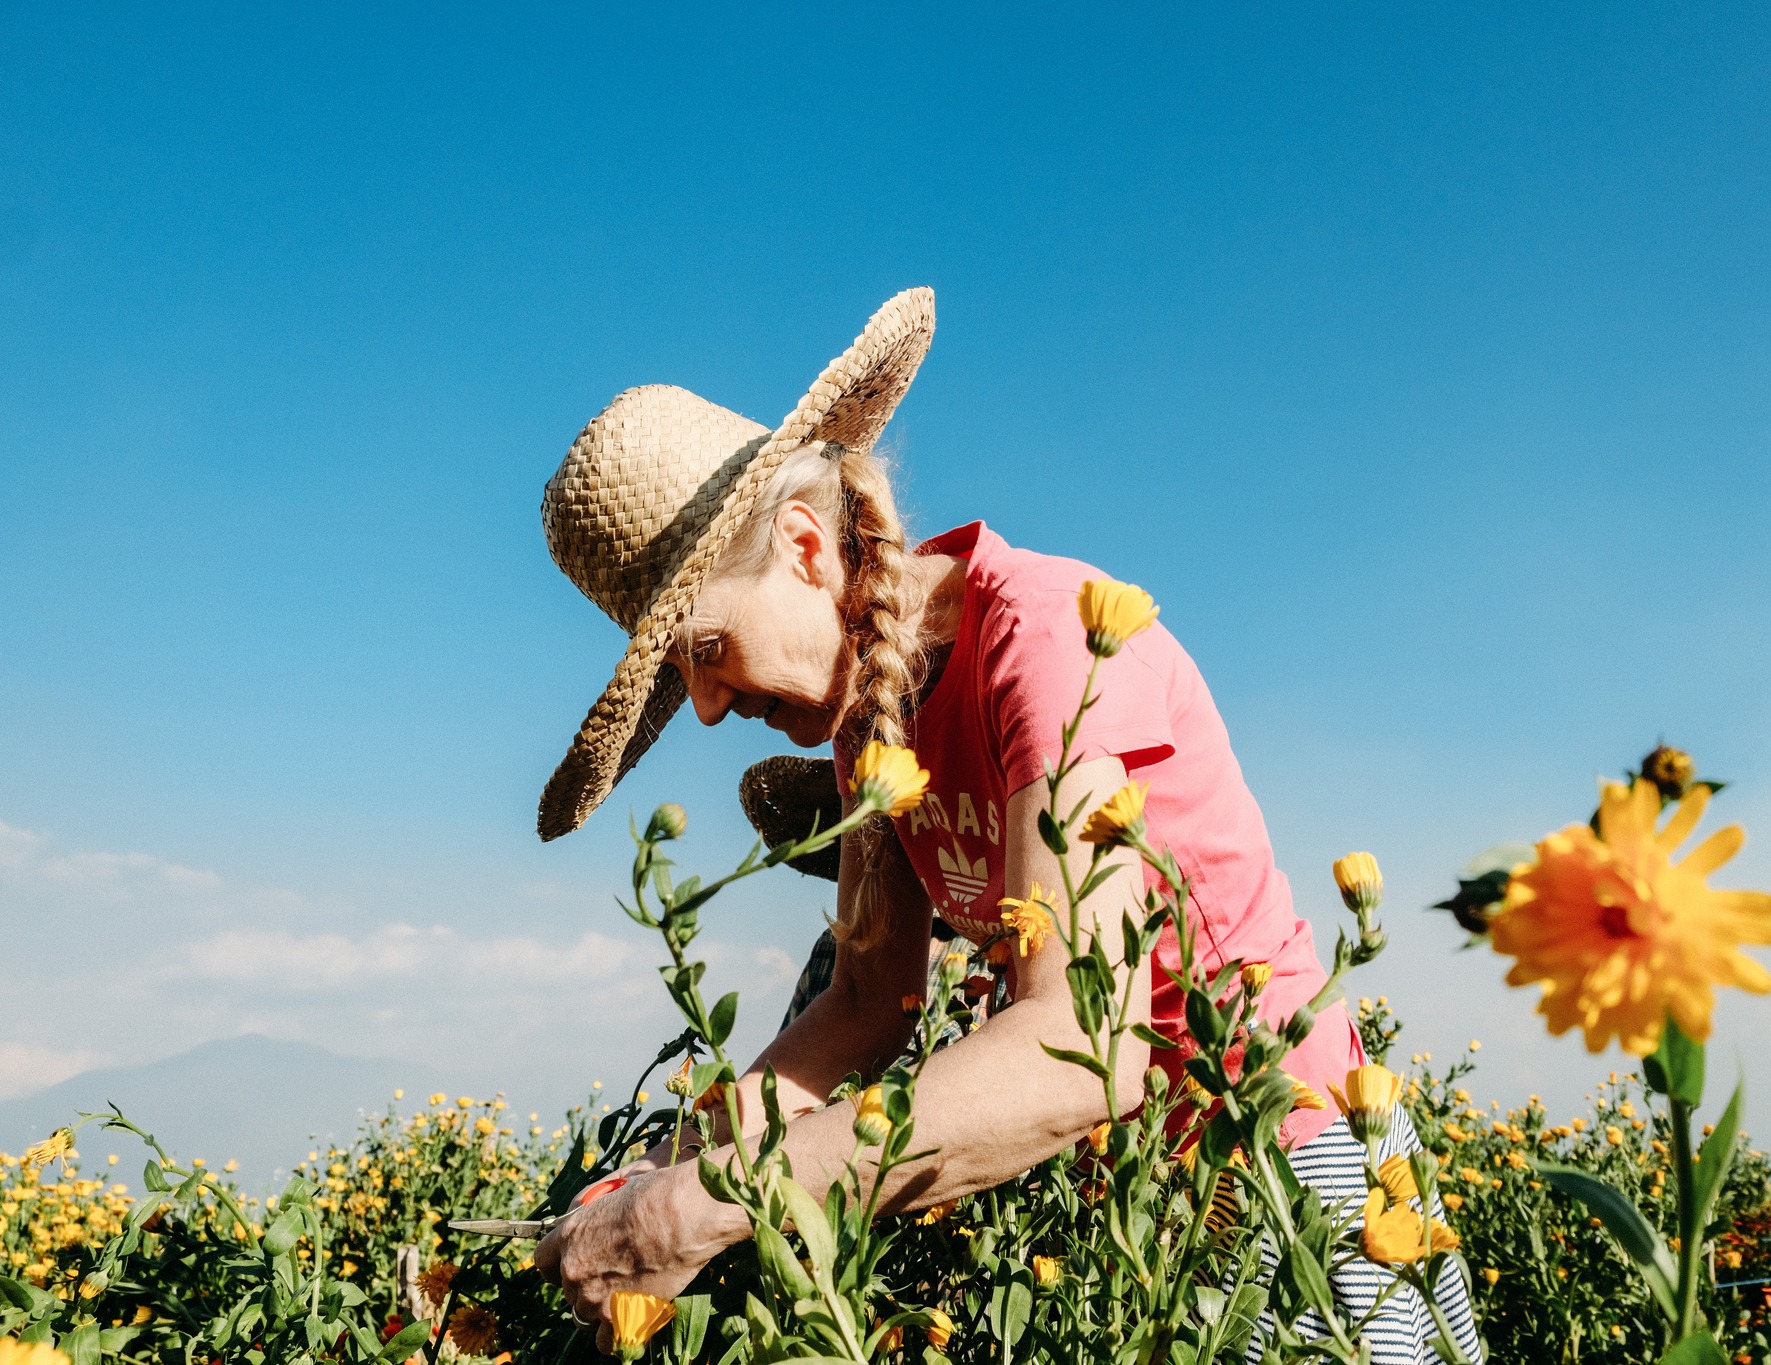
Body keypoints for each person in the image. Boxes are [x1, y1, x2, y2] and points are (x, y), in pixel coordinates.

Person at [530, 289, 1478, 1360]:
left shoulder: (1051, 644)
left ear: (802, 546)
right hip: (1139, 1206)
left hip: (1287, 1159)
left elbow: (1082, 1046)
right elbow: (862, 1003)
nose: (705, 708)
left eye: (701, 652)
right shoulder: (863, 731)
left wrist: (697, 1212)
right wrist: (684, 1155)